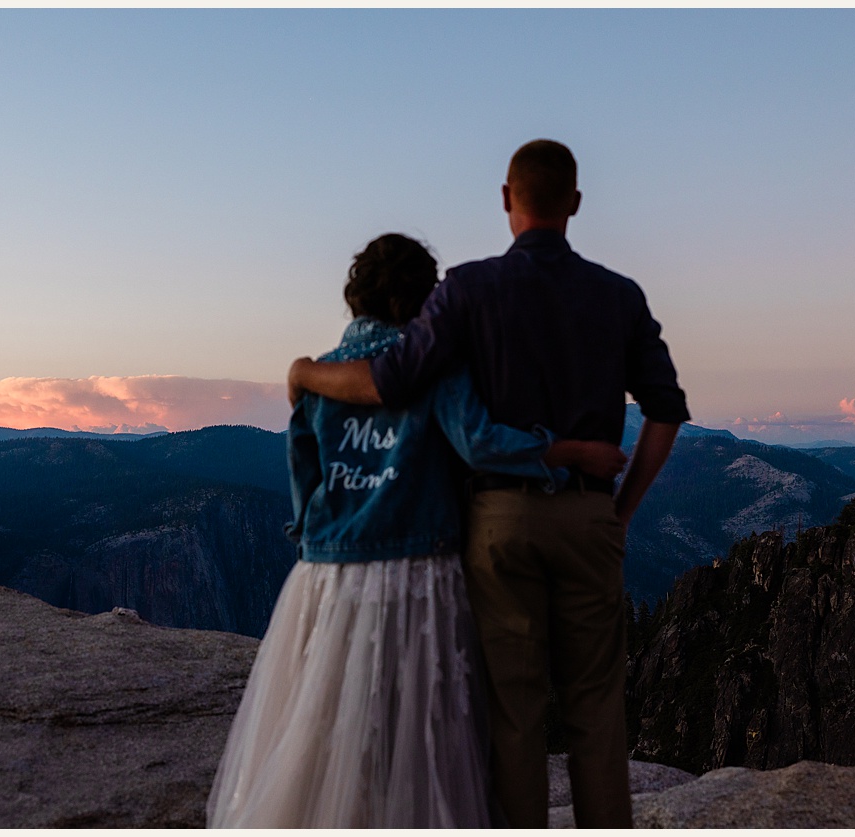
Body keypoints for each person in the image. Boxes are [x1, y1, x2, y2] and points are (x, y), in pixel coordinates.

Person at [288, 139, 687, 828]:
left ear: (508, 199)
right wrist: (620, 511)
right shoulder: (619, 296)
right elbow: (666, 410)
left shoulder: (468, 290)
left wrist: (304, 375)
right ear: (576, 204)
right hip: (591, 516)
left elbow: (391, 378)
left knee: (514, 711)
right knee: (596, 708)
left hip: (499, 520)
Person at [210, 233, 628, 828]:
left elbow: (304, 467)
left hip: (328, 569)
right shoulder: (432, 366)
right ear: (420, 299)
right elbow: (481, 444)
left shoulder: (321, 376)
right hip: (418, 566)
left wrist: (312, 535)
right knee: (420, 729)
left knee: (328, 720)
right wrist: (567, 452)